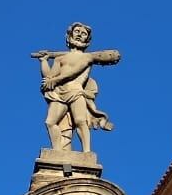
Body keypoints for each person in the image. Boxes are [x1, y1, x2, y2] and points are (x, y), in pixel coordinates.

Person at [32, 22, 120, 152]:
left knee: (80, 121)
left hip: (75, 91)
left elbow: (73, 72)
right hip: (59, 93)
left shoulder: (87, 57)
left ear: (87, 39)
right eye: (77, 31)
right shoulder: (59, 59)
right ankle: (58, 151)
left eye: (83, 33)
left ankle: (87, 152)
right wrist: (44, 61)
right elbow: (49, 77)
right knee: (50, 122)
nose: (79, 35)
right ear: (70, 35)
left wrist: (56, 80)